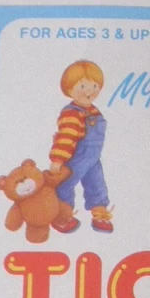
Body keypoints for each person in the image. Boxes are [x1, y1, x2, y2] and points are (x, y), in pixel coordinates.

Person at [49, 60, 114, 234]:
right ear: (69, 89)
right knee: (65, 184)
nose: (89, 91)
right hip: (76, 157)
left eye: (94, 86)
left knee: (97, 184)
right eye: (83, 86)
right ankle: (61, 215)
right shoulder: (72, 113)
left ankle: (100, 212)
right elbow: (65, 137)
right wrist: (58, 160)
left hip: (93, 158)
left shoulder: (94, 111)